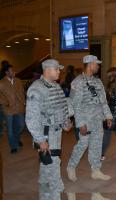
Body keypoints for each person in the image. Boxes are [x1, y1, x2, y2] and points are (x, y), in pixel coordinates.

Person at [25, 59, 72, 200]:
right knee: (53, 164)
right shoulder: (36, 88)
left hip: (57, 132)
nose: (59, 71)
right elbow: (31, 118)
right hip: (45, 133)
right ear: (47, 70)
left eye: (59, 69)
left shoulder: (56, 86)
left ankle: (44, 191)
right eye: (57, 69)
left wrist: (66, 123)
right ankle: (54, 194)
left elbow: (61, 107)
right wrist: (40, 140)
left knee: (47, 163)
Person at [67, 55, 113, 183]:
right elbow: (74, 104)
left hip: (97, 120)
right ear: (90, 64)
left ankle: (96, 170)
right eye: (96, 64)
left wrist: (108, 116)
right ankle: (71, 167)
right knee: (82, 144)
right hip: (85, 121)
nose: (98, 66)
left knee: (96, 145)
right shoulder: (78, 82)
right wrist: (80, 123)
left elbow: (103, 101)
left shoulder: (98, 82)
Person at [101, 67, 116, 160]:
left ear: (113, 75)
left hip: (114, 113)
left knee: (107, 134)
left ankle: (101, 155)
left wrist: (110, 118)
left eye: (108, 75)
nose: (107, 76)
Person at [0, 63, 25, 154]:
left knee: (21, 126)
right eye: (11, 71)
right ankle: (13, 146)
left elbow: (22, 92)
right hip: (8, 109)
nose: (14, 72)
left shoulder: (18, 80)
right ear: (6, 72)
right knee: (10, 129)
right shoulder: (1, 83)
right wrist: (5, 102)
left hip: (19, 108)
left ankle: (17, 138)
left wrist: (23, 102)